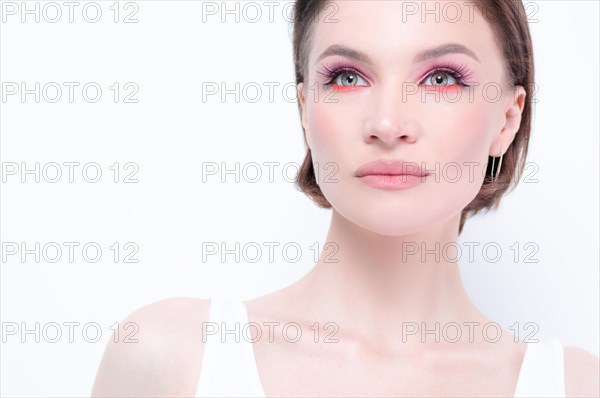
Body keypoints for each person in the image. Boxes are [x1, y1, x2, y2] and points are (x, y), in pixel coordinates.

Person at [91, 1, 600, 397]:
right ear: (305, 109)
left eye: (441, 78)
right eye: (347, 77)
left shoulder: (575, 386)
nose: (386, 123)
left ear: (507, 120)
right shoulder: (173, 355)